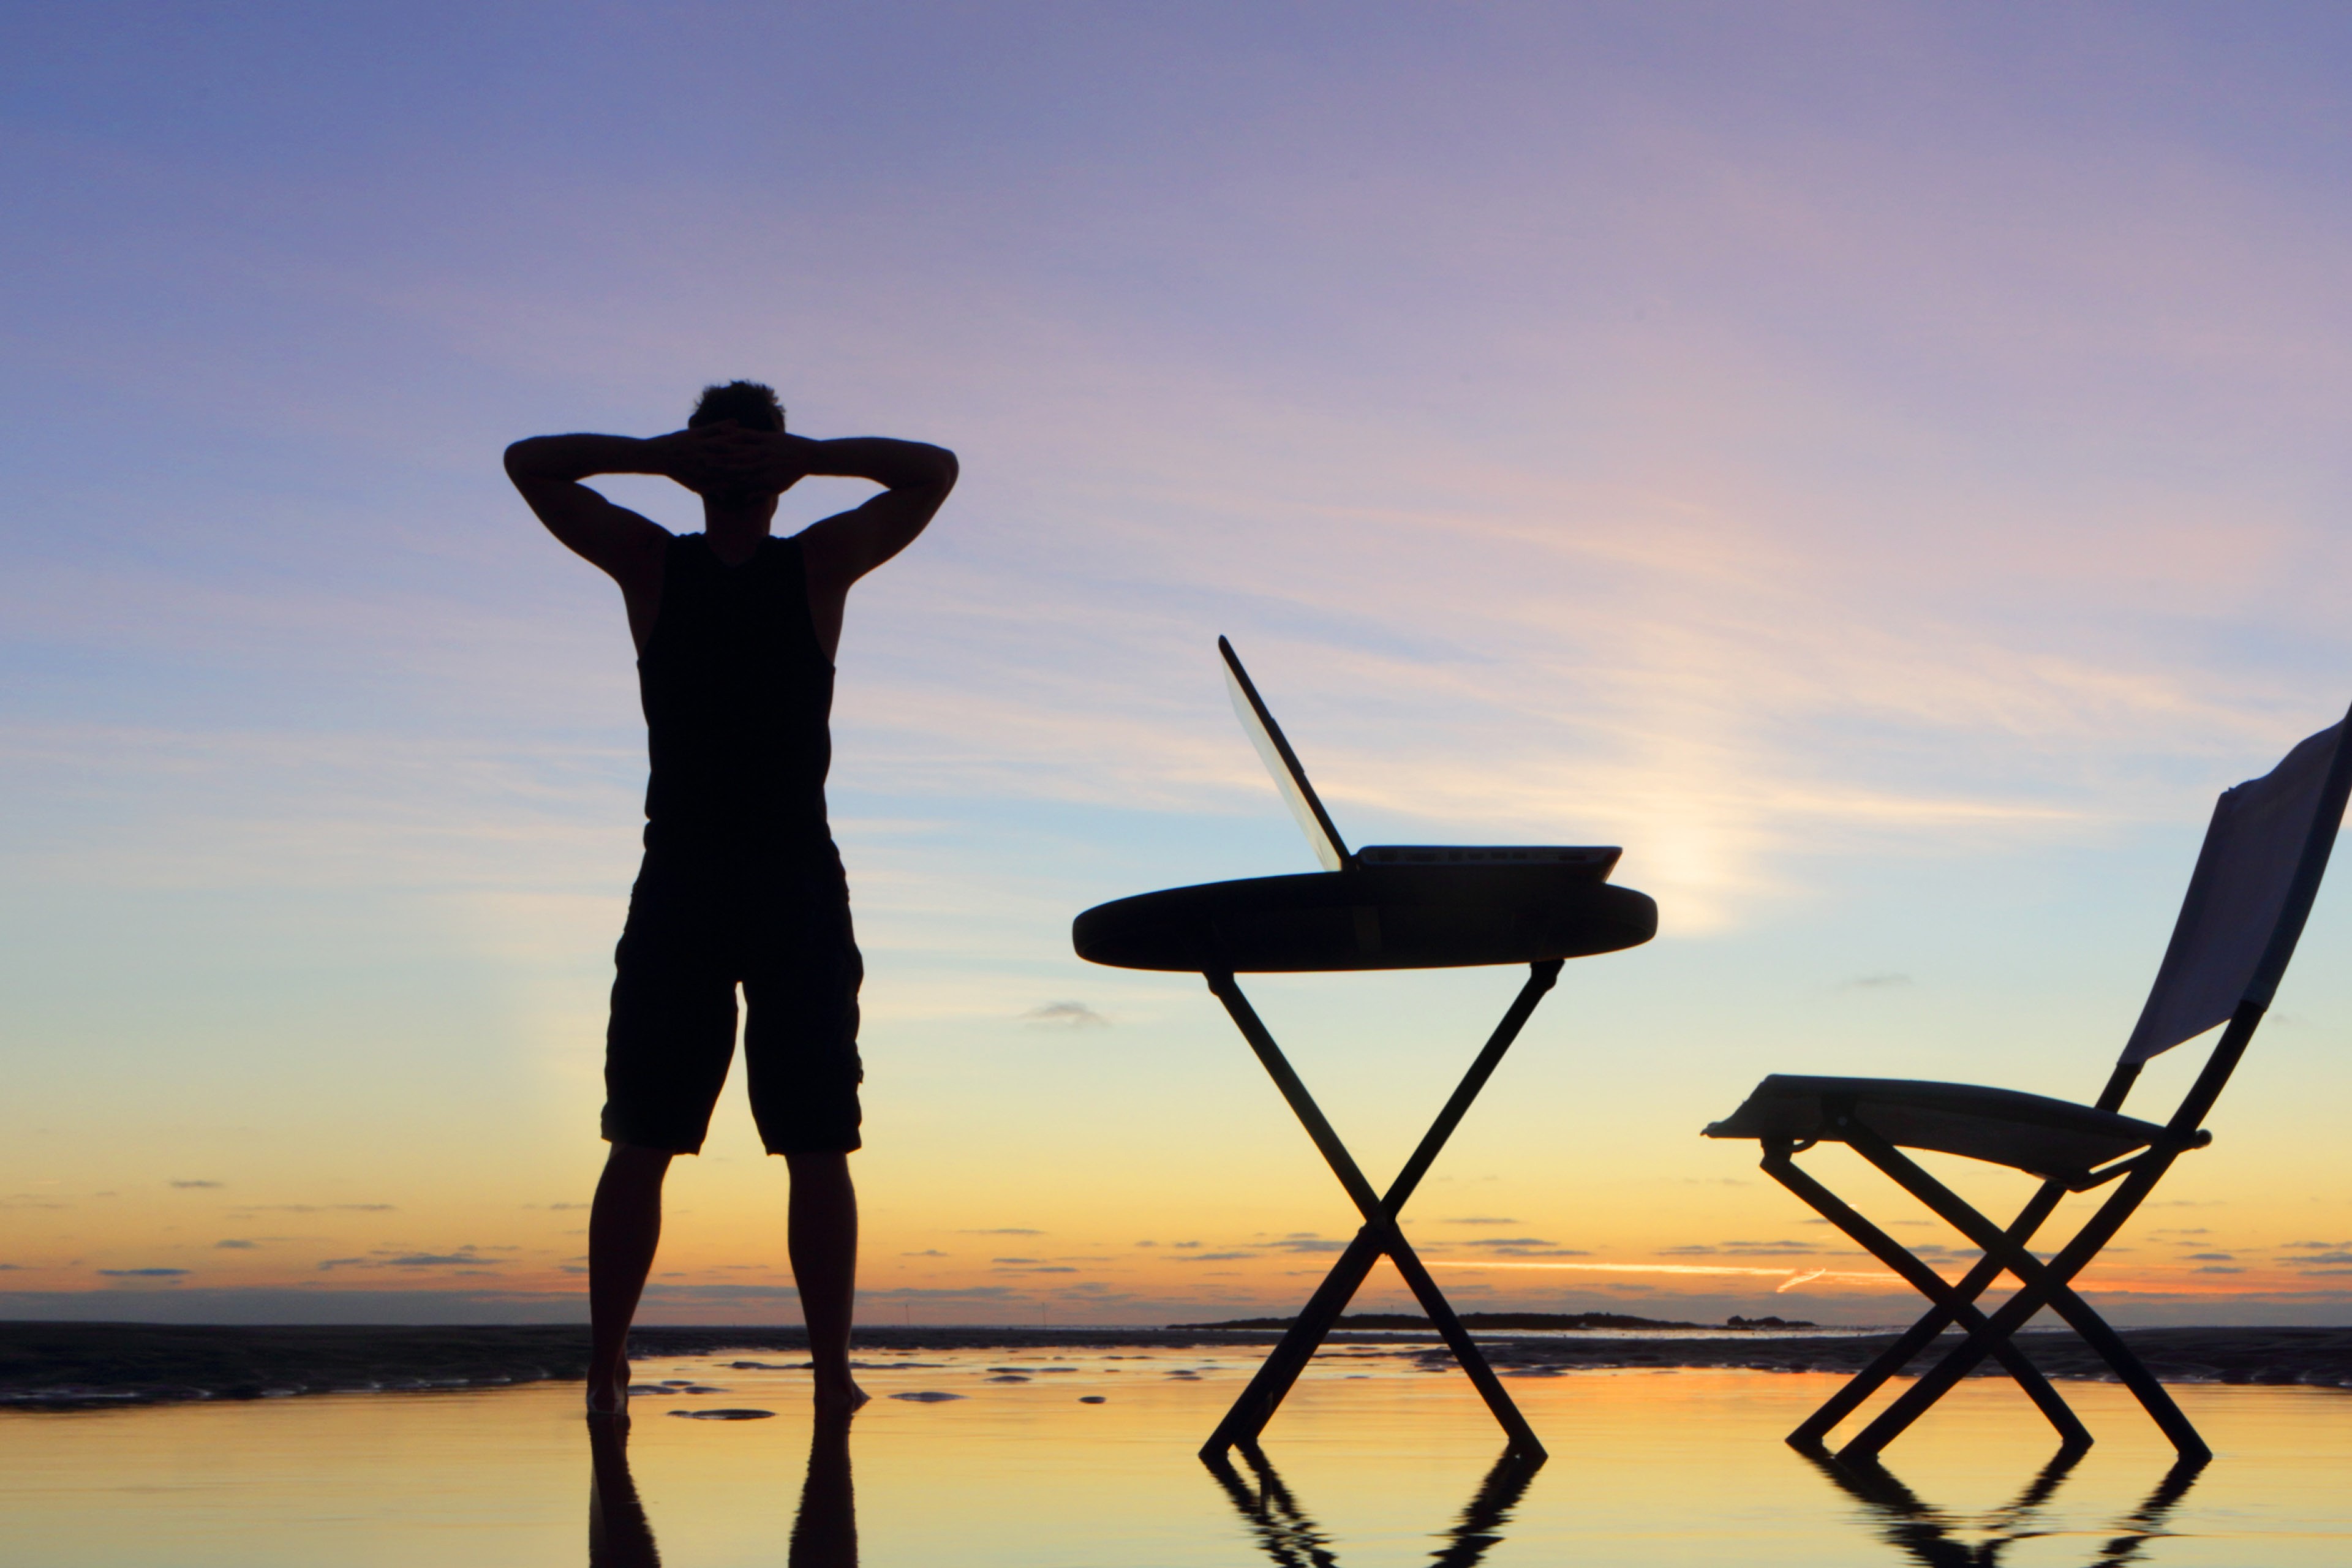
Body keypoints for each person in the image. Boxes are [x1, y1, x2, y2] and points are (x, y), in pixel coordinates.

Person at [506, 382, 957, 1420]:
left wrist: (808, 456)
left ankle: (832, 1369)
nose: (741, 469)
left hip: (797, 873)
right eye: (725, 452)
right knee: (642, 1133)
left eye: (756, 452)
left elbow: (934, 469)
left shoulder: (821, 563)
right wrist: (662, 453)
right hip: (684, 877)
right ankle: (605, 1363)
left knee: (818, 1137)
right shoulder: (654, 563)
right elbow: (530, 459)